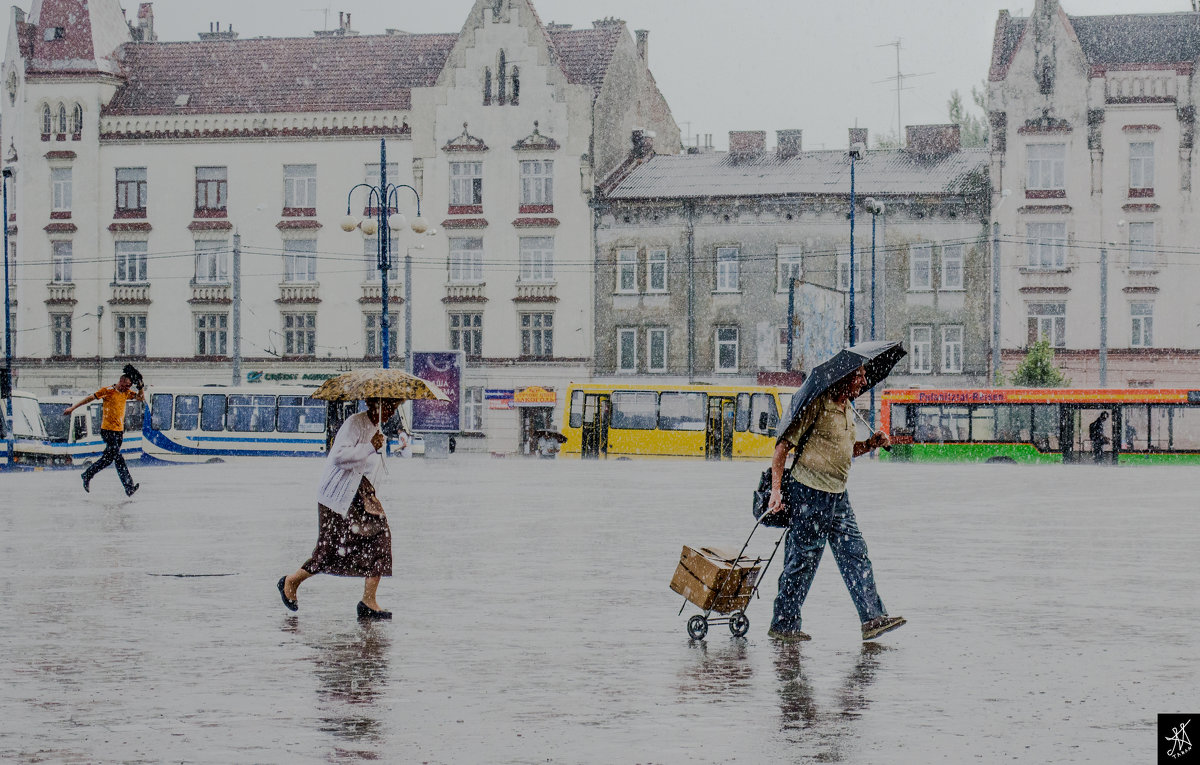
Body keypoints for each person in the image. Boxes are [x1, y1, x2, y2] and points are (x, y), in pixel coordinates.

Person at [765, 365, 905, 642]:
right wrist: (776, 491)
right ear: (845, 377)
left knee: (855, 553)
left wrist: (870, 444)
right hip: (809, 493)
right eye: (860, 375)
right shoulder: (817, 404)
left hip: (838, 495)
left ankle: (872, 618)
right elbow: (782, 447)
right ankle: (784, 625)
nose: (864, 380)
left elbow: (846, 450)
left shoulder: (849, 409)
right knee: (802, 561)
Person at [279, 397, 399, 620]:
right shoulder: (355, 424)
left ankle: (369, 601)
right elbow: (339, 458)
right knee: (328, 551)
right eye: (390, 407)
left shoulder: (377, 429)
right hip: (338, 497)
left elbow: (371, 468)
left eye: (395, 408)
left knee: (381, 540)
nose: (392, 412)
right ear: (375, 404)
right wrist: (369, 447)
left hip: (363, 496)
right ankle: (291, 581)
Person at [64, 364, 144, 496]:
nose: (127, 388)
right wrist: (73, 408)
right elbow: (89, 398)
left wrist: (140, 387)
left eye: (130, 386)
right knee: (118, 457)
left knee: (108, 459)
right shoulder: (108, 391)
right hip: (107, 431)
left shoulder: (126, 393)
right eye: (126, 385)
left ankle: (87, 475)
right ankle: (128, 486)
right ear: (121, 381)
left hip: (119, 432)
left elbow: (141, 398)